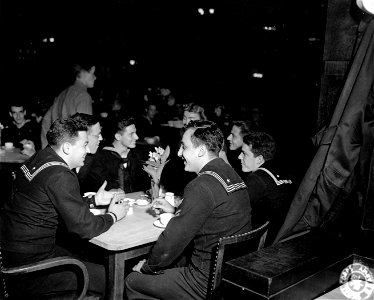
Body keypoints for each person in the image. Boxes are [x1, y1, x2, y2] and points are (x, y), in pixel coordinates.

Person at [1, 117, 128, 299]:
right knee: (109, 276)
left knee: (87, 257)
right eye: (84, 145)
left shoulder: (42, 156)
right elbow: (84, 227)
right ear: (67, 148)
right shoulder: (61, 174)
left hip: (11, 252)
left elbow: (53, 200)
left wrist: (93, 200)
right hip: (28, 268)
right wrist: (113, 215)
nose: (87, 150)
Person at [125, 120, 252, 300]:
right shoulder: (232, 175)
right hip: (231, 274)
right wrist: (178, 208)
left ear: (200, 151)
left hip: (204, 281)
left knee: (133, 280)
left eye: (183, 147)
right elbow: (214, 212)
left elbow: (172, 241)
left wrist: (147, 267)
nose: (179, 153)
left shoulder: (201, 185)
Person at [239, 131, 294, 245]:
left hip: (263, 243)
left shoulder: (256, 179)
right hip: (284, 236)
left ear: (259, 159)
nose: (239, 156)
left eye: (244, 153)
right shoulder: (282, 171)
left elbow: (236, 208)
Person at [82, 116, 150, 194]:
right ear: (118, 136)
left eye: (135, 133)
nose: (137, 137)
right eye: (131, 134)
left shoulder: (137, 155)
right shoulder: (100, 158)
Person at [40, 62, 96, 148]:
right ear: (82, 72)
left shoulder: (63, 93)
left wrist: (47, 150)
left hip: (58, 150)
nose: (95, 77)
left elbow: (46, 121)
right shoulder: (83, 96)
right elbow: (84, 131)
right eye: (93, 73)